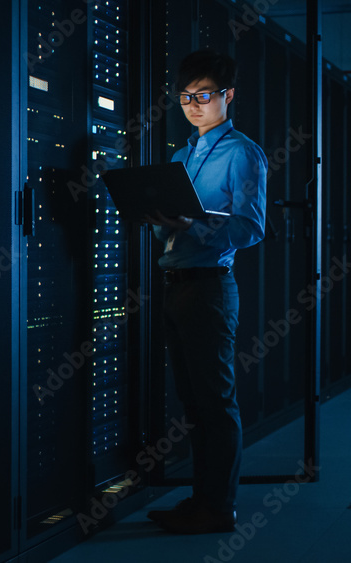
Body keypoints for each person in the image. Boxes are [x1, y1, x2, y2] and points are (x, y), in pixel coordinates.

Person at [143, 49, 268, 534]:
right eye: (185, 97)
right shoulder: (180, 157)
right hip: (177, 284)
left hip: (211, 289)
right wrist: (162, 223)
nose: (193, 105)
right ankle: (202, 500)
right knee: (194, 402)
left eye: (203, 95)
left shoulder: (242, 152)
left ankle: (219, 508)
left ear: (228, 96)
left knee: (216, 402)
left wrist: (191, 226)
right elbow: (171, 231)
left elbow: (250, 227)